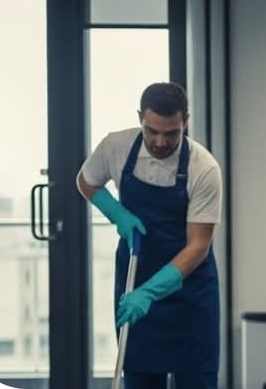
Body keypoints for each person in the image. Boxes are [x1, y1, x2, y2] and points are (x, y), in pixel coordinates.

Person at [77, 82, 223, 389]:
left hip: (190, 293)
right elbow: (86, 181)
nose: (160, 141)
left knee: (197, 380)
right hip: (135, 276)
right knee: (140, 378)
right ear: (140, 118)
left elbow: (198, 246)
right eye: (151, 131)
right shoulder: (116, 147)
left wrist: (150, 292)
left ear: (186, 122)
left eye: (171, 133)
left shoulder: (204, 168)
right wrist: (116, 212)